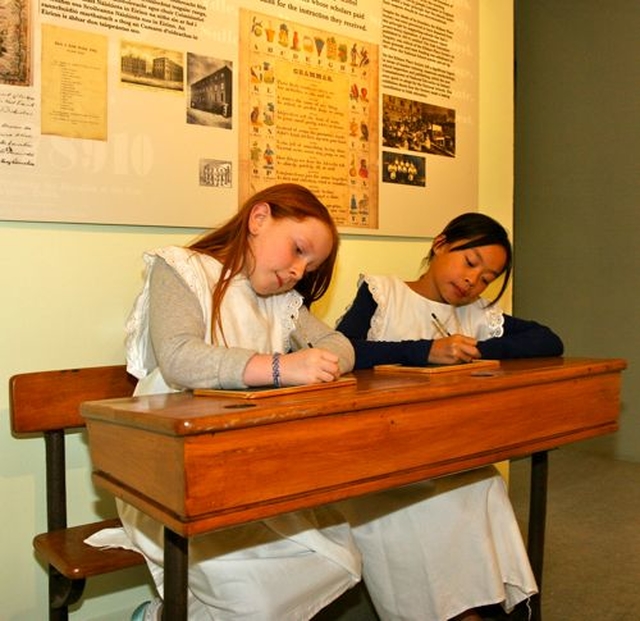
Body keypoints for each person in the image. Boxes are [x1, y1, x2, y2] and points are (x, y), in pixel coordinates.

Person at [96, 183, 361, 620]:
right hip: (166, 474)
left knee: (338, 559)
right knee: (251, 596)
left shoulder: (282, 302)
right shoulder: (183, 269)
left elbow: (338, 343)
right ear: (259, 219)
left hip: (247, 469)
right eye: (297, 249)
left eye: (308, 266)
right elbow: (180, 357)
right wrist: (282, 367)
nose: (298, 271)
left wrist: (328, 363)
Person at [335, 212, 564, 621]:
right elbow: (341, 351)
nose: (473, 281)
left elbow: (548, 340)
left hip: (448, 453)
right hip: (380, 457)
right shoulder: (383, 292)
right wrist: (423, 351)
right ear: (440, 244)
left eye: (487, 277)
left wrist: (477, 349)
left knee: (483, 482)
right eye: (470, 261)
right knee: (431, 505)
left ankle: (489, 606)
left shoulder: (477, 314)